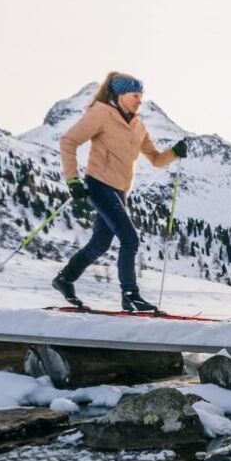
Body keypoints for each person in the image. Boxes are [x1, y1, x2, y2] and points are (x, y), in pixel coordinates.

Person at [53, 73, 190, 314]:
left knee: (100, 244)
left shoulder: (138, 126)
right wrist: (72, 179)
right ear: (120, 95)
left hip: (119, 190)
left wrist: (174, 153)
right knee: (130, 239)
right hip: (98, 184)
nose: (140, 100)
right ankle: (130, 295)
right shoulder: (101, 113)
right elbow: (68, 141)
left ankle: (65, 279)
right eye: (135, 95)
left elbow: (156, 159)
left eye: (141, 95)